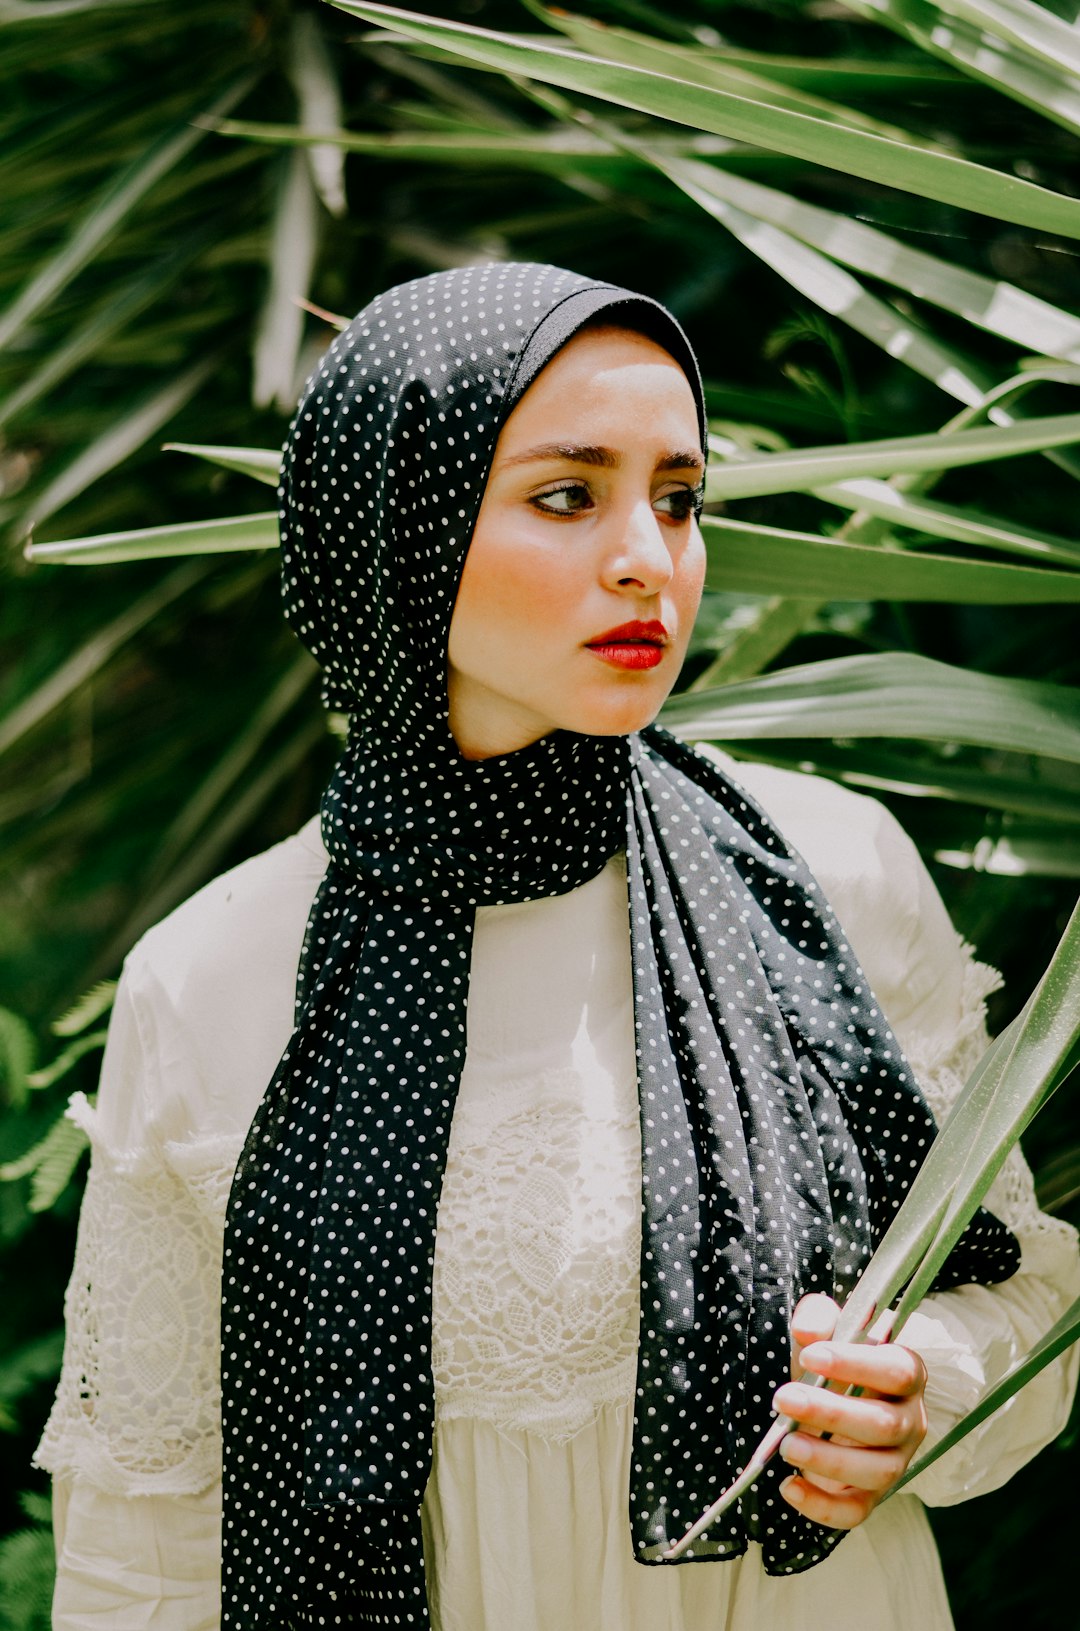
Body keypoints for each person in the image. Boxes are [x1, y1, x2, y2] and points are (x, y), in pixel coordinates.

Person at [37, 262, 1079, 1631]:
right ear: (395, 527)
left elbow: (1025, 1298)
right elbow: (141, 1536)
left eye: (680, 497)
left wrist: (918, 1391)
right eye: (569, 495)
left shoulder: (831, 874)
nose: (651, 553)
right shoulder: (213, 976)